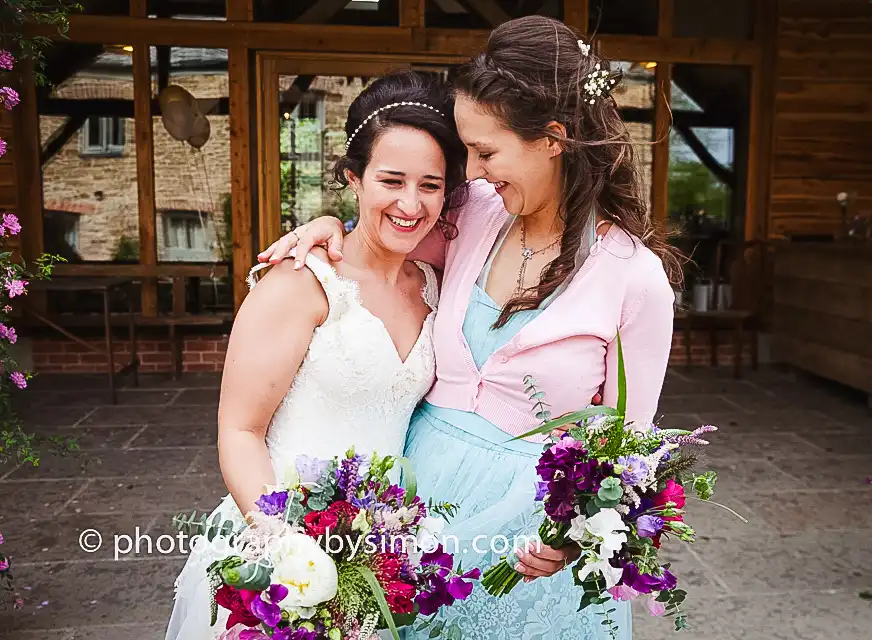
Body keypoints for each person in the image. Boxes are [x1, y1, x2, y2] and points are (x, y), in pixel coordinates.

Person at [259, 15, 682, 639]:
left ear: (554, 139)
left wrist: (572, 541)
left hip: (529, 545)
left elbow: (628, 451)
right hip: (419, 508)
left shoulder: (633, 277)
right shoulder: (473, 215)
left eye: (485, 152)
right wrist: (325, 226)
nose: (474, 171)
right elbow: (378, 243)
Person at [164, 70, 467, 640]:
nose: (410, 203)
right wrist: (288, 553)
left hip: (381, 550)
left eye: (430, 185)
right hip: (280, 540)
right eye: (391, 180)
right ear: (353, 178)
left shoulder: (433, 283)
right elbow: (240, 432)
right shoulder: (298, 284)